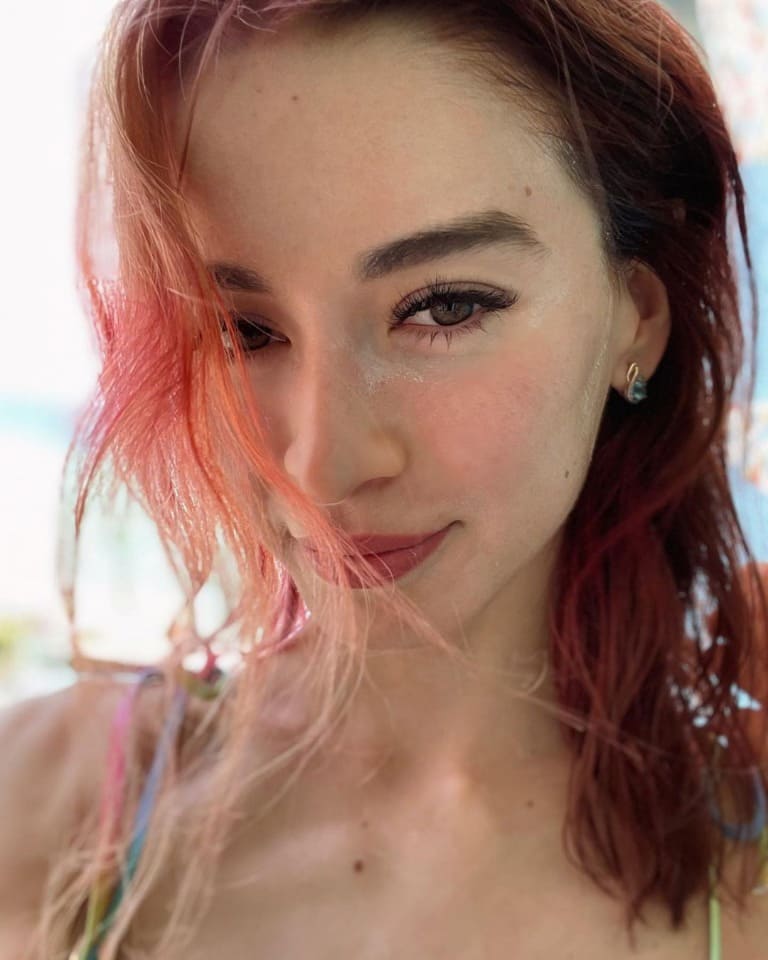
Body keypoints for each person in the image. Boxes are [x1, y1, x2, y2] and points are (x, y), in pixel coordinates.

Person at [1, 1, 767, 957]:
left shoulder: (746, 879)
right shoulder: (47, 813)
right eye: (243, 329)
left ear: (636, 316)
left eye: (443, 308)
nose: (321, 467)